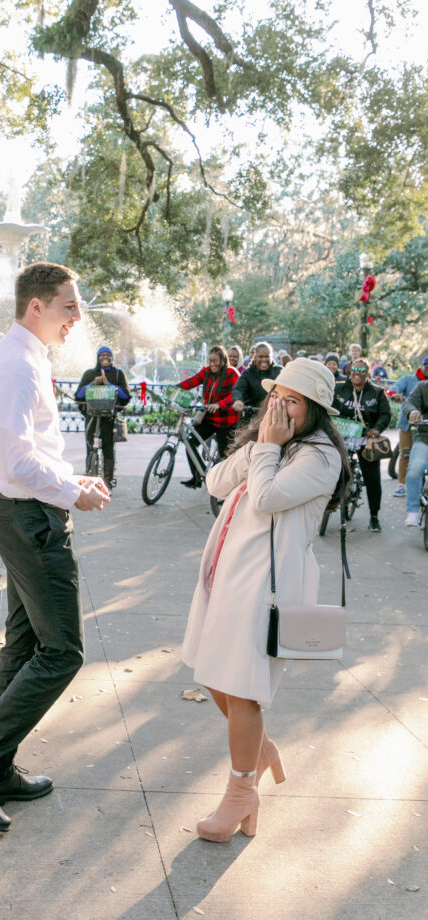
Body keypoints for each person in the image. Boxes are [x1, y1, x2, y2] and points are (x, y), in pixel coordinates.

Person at [0, 262, 110, 834]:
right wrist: (68, 492)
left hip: (22, 513)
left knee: (24, 643)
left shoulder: (22, 356)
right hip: (31, 520)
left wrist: (72, 480)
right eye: (68, 305)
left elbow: (28, 446)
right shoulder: (15, 364)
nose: (76, 317)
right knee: (63, 652)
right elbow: (16, 460)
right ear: (36, 305)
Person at [181, 359, 348, 842]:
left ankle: (240, 794)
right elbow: (215, 484)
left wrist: (269, 449)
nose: (281, 408)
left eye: (292, 401)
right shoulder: (270, 443)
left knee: (243, 688)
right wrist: (260, 443)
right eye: (277, 398)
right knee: (213, 675)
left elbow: (265, 498)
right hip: (227, 574)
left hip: (266, 589)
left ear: (314, 410)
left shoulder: (320, 457)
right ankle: (260, 751)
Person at [333, 358, 390, 531]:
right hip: (342, 436)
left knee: (372, 477)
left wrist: (377, 429)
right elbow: (328, 407)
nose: (357, 372)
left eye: (361, 370)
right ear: (350, 371)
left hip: (366, 438)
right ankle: (327, 506)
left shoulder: (377, 393)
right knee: (331, 468)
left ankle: (374, 516)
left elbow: (385, 414)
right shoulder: (339, 389)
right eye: (354, 369)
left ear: (367, 374)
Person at [177, 345, 239, 487]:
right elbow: (191, 381)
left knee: (225, 457)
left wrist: (220, 404)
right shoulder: (206, 372)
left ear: (223, 360)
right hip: (210, 419)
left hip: (226, 421)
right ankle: (198, 476)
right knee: (190, 442)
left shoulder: (232, 373)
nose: (212, 364)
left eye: (215, 361)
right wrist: (174, 388)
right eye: (210, 360)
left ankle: (225, 490)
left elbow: (236, 394)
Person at [75, 346, 131, 490]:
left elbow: (126, 396)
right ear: (98, 357)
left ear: (112, 358)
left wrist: (110, 385)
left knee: (108, 449)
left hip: (109, 419)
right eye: (102, 355)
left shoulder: (118, 374)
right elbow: (78, 395)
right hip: (92, 417)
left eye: (108, 355)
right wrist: (92, 384)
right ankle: (89, 478)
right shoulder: (89, 374)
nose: (105, 358)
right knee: (89, 447)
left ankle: (108, 481)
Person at [388, 356, 428, 497]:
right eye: (427, 367)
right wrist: (395, 395)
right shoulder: (408, 380)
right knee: (405, 452)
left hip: (426, 427)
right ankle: (401, 484)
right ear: (422, 366)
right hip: (408, 424)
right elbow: (393, 390)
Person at [403, 379, 428, 527]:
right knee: (414, 470)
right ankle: (413, 511)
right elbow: (408, 403)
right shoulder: (423, 387)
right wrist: (412, 411)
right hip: (425, 438)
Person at [232, 342, 281, 415]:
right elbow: (238, 389)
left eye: (267, 356)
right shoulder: (248, 373)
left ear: (271, 357)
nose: (264, 359)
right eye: (260, 356)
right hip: (252, 415)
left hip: (273, 414)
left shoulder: (279, 371)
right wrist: (238, 400)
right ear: (255, 357)